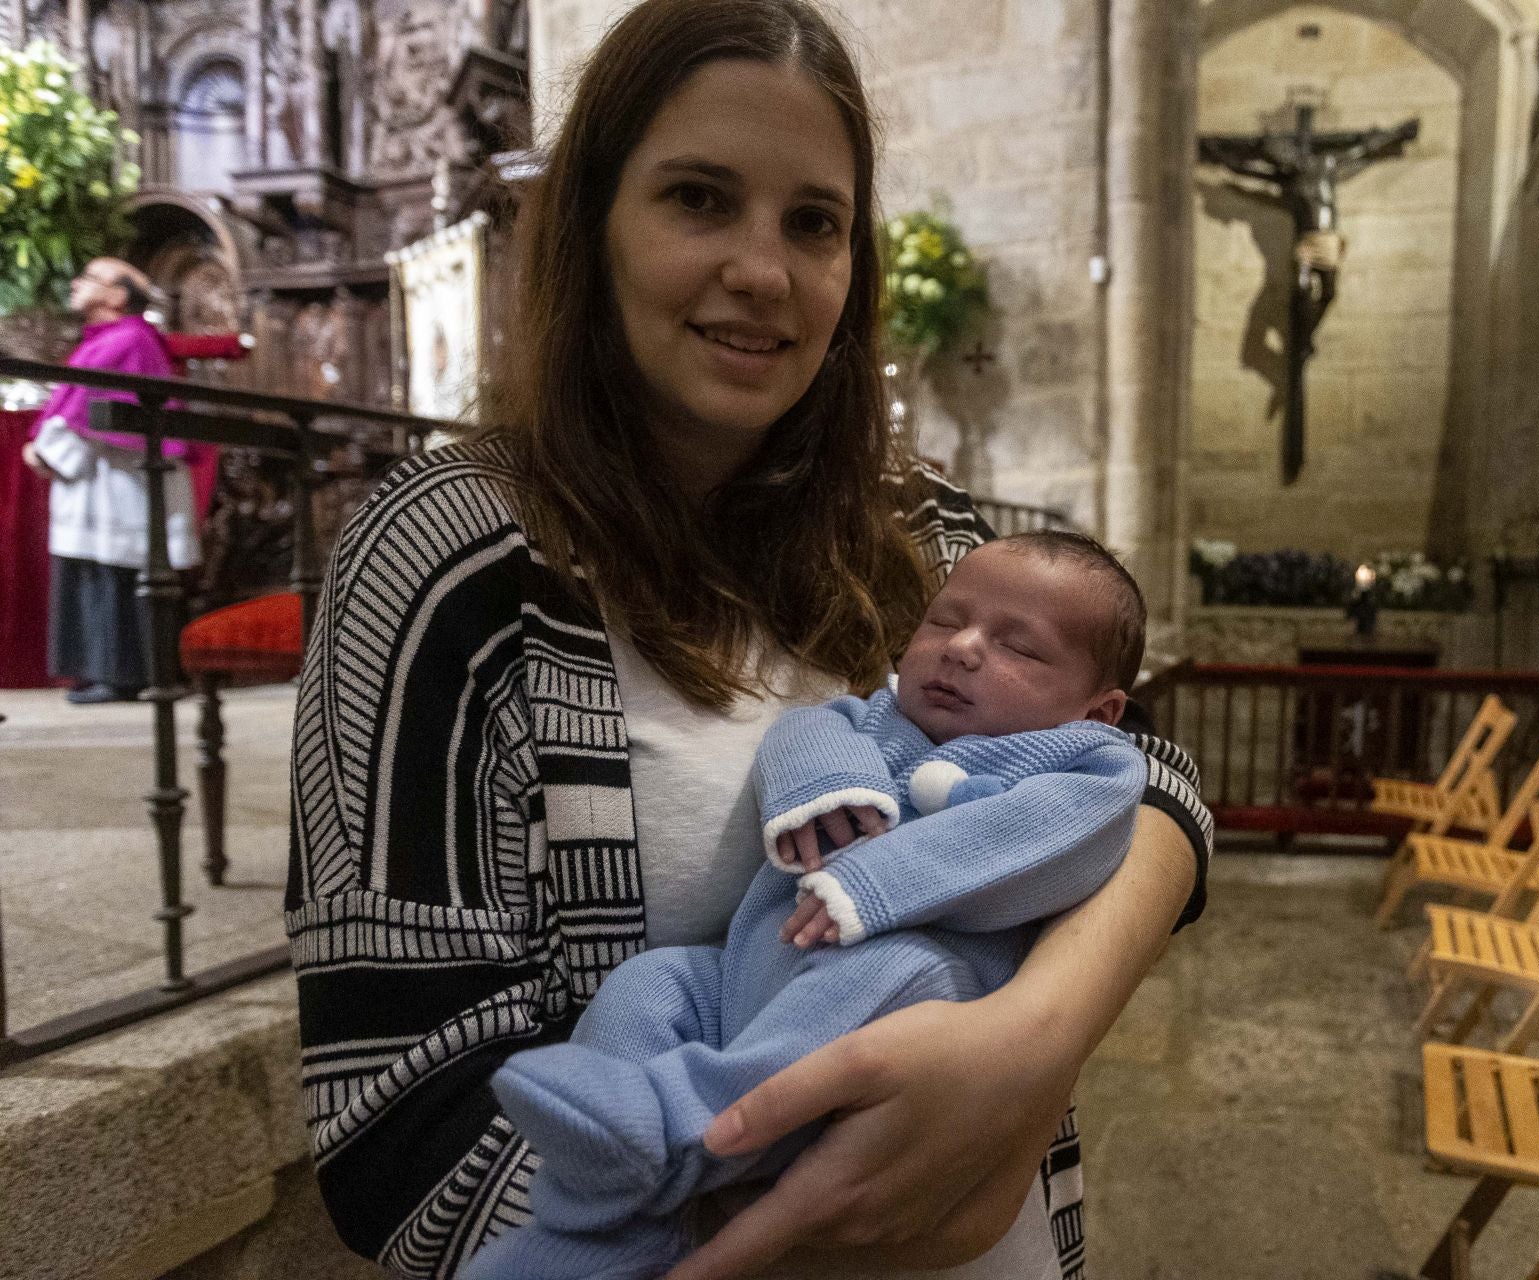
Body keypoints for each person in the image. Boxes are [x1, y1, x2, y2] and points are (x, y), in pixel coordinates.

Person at [284, 3, 1212, 1278]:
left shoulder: (918, 531)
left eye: (813, 222)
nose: (765, 271)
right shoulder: (448, 553)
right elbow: (395, 1117)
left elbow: (1142, 766)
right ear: (592, 225)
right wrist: (806, 1221)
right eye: (700, 199)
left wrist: (1038, 1038)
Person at [463, 533, 1151, 1280]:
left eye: (1020, 648)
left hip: (916, 995)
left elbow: (1040, 838)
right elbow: (807, 729)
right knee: (653, 981)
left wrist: (875, 880)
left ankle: (674, 1127)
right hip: (743, 980)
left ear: (1099, 708)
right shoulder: (878, 719)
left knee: (887, 968)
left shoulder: (1088, 763)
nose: (964, 648)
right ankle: (602, 1208)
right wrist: (823, 791)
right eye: (945, 621)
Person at [19, 258, 200, 704]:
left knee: (116, 574)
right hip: (102, 480)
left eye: (90, 278)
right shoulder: (108, 339)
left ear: (118, 296)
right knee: (98, 572)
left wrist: (45, 450)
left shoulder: (128, 338)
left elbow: (92, 414)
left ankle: (124, 674)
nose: (76, 282)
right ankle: (102, 669)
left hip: (121, 481)